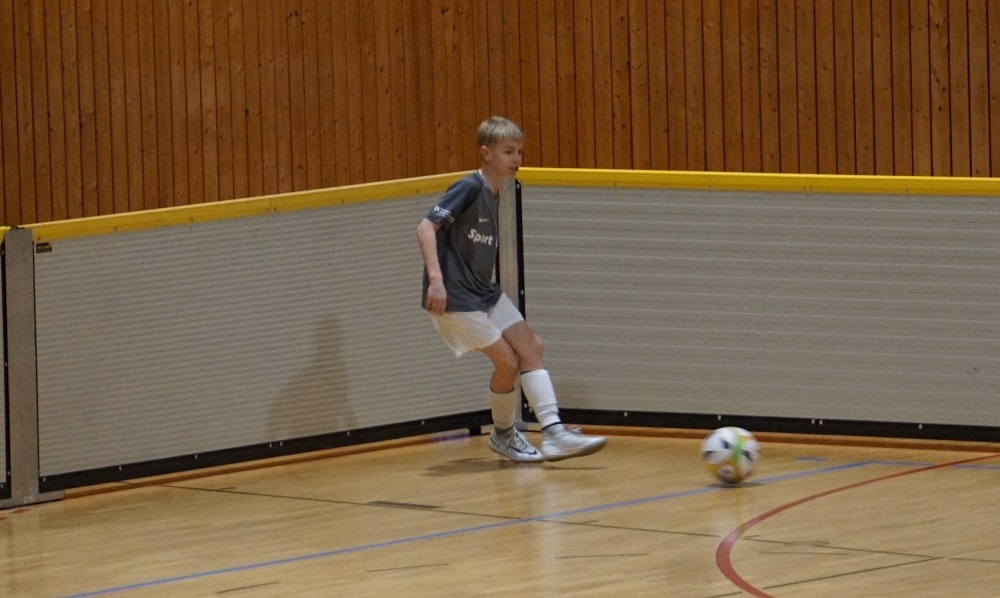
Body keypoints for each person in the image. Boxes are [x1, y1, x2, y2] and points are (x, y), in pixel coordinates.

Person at [416, 116, 607, 463]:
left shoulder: (496, 193)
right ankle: (503, 435)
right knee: (507, 362)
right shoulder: (469, 187)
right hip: (457, 298)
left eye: (520, 151)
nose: (517, 158)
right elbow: (426, 227)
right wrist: (436, 279)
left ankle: (554, 434)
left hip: (483, 292)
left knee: (532, 346)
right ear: (486, 153)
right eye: (508, 151)